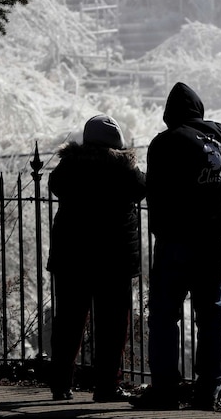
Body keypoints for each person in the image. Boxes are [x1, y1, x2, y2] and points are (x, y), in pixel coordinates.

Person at [131, 82, 221, 411]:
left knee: (164, 316)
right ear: (199, 111)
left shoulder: (164, 143)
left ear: (169, 116)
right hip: (215, 242)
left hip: (176, 243)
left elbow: (153, 190)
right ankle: (208, 392)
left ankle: (166, 389)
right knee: (212, 315)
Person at [46, 114, 147, 403]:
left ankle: (61, 384)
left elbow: (55, 183)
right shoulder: (125, 170)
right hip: (113, 259)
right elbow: (142, 187)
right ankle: (106, 386)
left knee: (68, 321)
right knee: (113, 325)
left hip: (72, 256)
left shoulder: (70, 167)